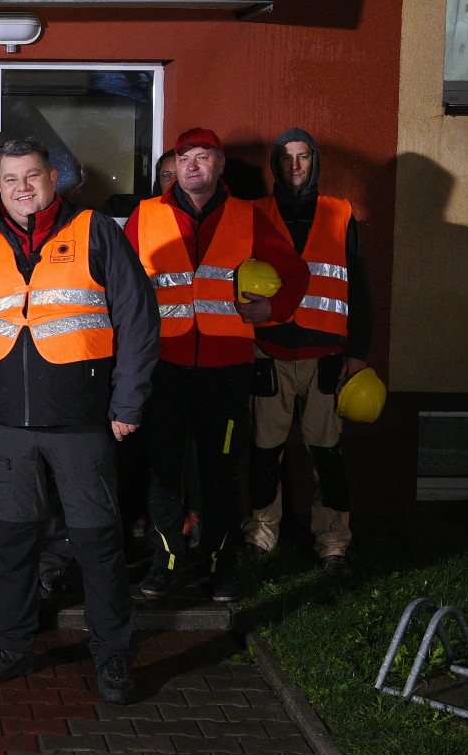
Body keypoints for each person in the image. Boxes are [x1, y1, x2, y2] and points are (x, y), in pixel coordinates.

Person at [0, 137, 159, 705]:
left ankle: (113, 656)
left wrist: (127, 405)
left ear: (53, 178)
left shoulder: (95, 231)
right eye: (9, 178)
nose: (20, 188)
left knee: (97, 545)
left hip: (83, 426)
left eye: (31, 176)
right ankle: (12, 647)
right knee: (13, 545)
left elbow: (138, 320)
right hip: (9, 429)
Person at [125, 127, 310, 602]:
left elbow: (295, 272)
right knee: (164, 474)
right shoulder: (145, 217)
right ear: (175, 166)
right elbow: (116, 285)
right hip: (161, 368)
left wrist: (273, 310)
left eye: (203, 157)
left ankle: (220, 566)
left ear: (220, 166)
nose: (193, 165)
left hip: (226, 370)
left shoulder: (248, 217)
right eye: (185, 157)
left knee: (221, 475)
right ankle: (164, 564)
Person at [242, 128, 373, 574]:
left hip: (326, 357)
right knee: (264, 453)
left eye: (303, 157)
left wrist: (358, 352)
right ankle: (262, 533)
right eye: (286, 158)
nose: (295, 166)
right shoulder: (254, 213)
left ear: (314, 161)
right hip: (269, 353)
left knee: (327, 456)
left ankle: (333, 541)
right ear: (275, 164)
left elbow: (360, 288)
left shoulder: (340, 213)